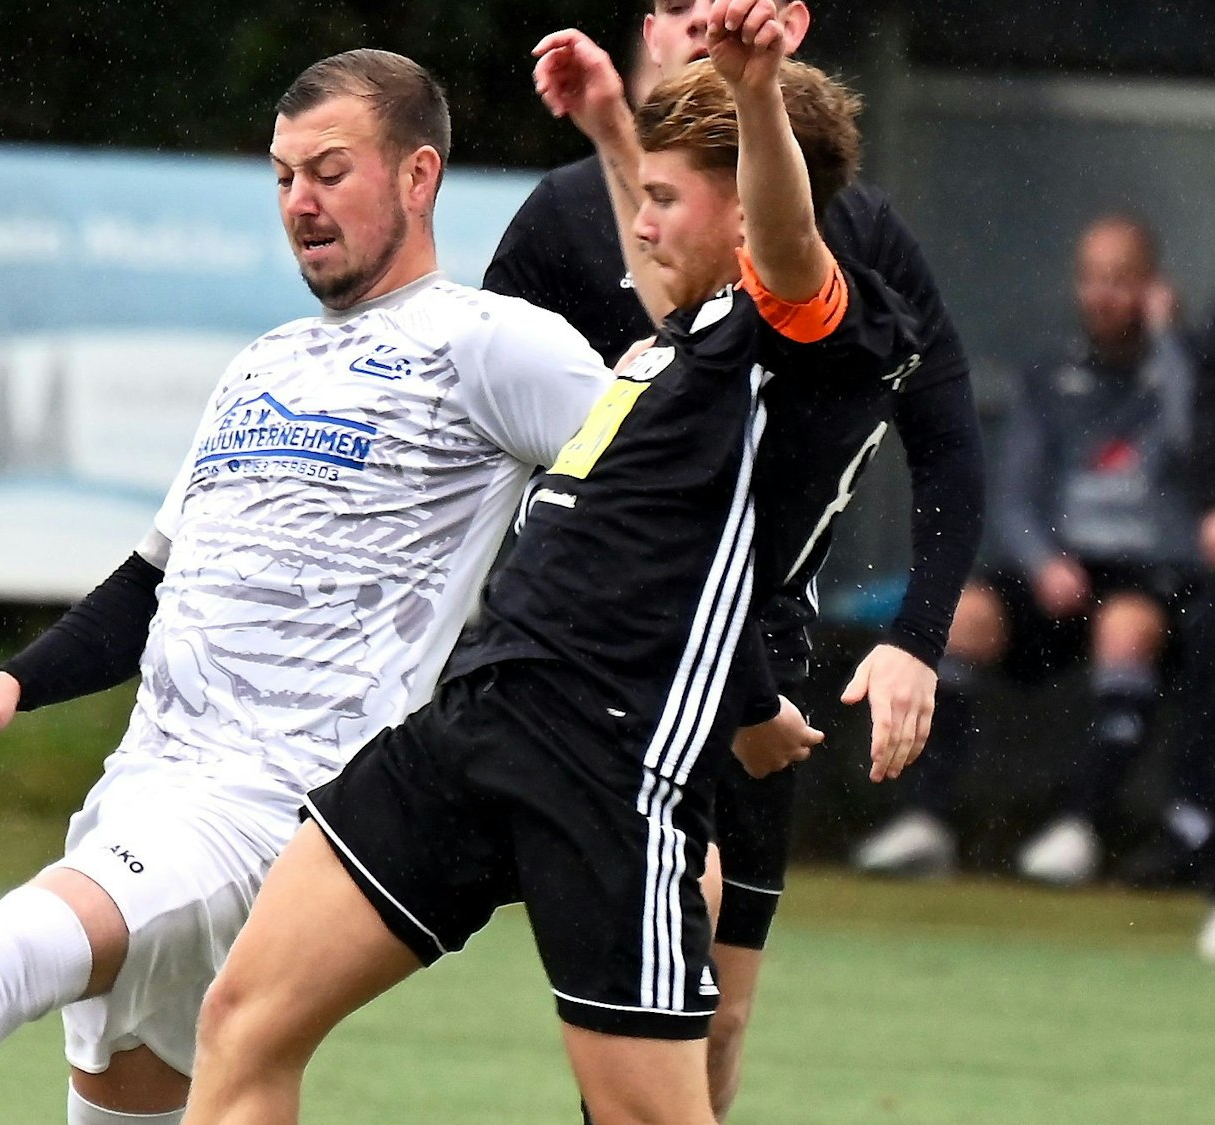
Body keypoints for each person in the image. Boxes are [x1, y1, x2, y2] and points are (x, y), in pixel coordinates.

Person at [0, 49, 613, 1125]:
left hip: (272, 807)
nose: (300, 201)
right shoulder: (263, 362)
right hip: (147, 781)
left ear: (419, 175)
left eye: (330, 171)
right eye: (283, 175)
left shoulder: (491, 342)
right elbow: (153, 581)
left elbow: (657, 495)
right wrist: (16, 683)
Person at [183, 10, 924, 1124]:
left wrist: (756, 91)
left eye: (666, 200)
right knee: (242, 1021)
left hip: (606, 759)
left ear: (752, 205)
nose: (637, 219)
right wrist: (612, 125)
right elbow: (686, 259)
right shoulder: (687, 336)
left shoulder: (808, 333)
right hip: (479, 711)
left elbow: (774, 245)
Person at [480, 3, 984, 1113]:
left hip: (749, 652)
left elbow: (944, 439)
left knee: (711, 1006)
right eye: (669, 7)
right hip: (591, 655)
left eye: (721, 10)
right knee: (671, 927)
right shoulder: (567, 219)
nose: (692, 26)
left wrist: (914, 640)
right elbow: (474, 419)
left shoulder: (837, 247)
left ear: (782, 30)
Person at [853, 214, 1201, 885]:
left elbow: (1193, 449)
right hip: (1061, 569)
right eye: (1095, 280)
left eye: (1123, 281)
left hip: (1149, 574)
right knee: (964, 616)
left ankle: (1080, 824)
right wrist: (1044, 560)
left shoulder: (1178, 368)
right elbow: (1011, 495)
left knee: (1127, 627)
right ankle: (925, 820)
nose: (1106, 296)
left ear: (1152, 287)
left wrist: (1167, 342)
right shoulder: (1049, 377)